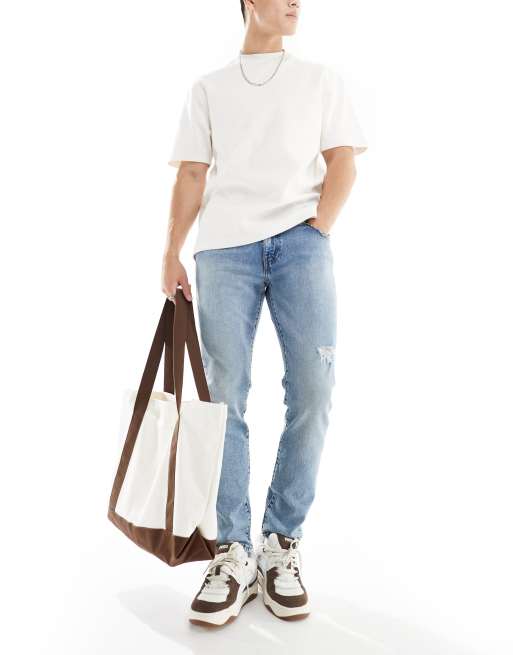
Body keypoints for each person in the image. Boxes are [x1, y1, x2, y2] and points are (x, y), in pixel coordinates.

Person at [161, 0, 368, 628]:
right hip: (224, 252)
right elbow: (192, 174)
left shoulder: (320, 80)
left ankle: (281, 541)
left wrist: (317, 227)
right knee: (225, 398)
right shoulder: (209, 88)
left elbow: (343, 159)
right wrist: (171, 251)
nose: (296, 2)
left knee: (313, 389)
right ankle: (233, 552)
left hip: (302, 245)